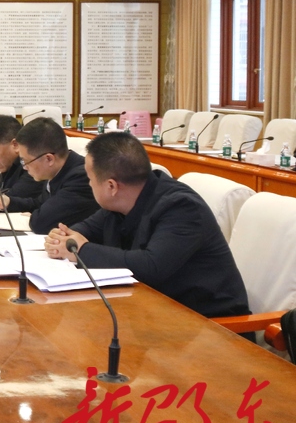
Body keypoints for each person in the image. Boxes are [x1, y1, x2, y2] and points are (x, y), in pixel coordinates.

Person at [45, 133, 250, 319]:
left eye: (90, 179)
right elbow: (85, 229)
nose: (89, 185)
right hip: (153, 312)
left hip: (211, 325)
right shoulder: (119, 202)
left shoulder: (181, 207)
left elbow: (151, 266)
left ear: (111, 186)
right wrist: (63, 239)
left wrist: (81, 250)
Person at [0, 117, 99, 234]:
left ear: (49, 159)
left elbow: (41, 223)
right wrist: (8, 202)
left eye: (26, 161)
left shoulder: (81, 177)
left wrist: (34, 215)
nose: (24, 167)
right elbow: (38, 203)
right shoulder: (56, 170)